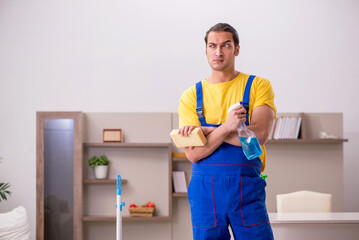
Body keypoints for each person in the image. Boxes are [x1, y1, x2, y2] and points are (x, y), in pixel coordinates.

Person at [177, 23, 276, 240]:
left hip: (247, 189)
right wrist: (230, 127)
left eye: (226, 45)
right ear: (206, 50)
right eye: (212, 46)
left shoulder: (259, 86)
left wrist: (206, 131)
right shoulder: (191, 95)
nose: (218, 52)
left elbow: (258, 138)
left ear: (237, 49)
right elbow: (193, 154)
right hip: (204, 193)